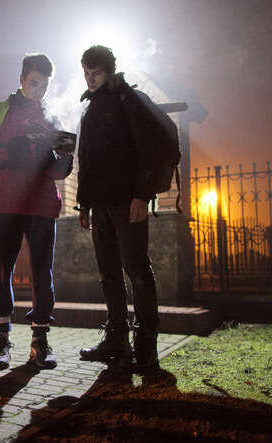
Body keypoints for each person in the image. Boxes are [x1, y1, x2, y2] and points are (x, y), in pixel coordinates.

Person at [0, 54, 74, 370]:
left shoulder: (53, 117)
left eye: (45, 86)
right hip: (6, 204)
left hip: (42, 204)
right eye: (35, 83)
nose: (39, 91)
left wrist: (58, 160)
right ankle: (1, 341)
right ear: (22, 80)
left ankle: (40, 341)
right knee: (2, 272)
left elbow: (62, 170)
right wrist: (7, 152)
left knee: (42, 272)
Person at [75, 45, 161, 374]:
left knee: (137, 270)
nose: (90, 78)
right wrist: (83, 204)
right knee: (109, 275)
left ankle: (146, 348)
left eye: (95, 72)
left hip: (127, 202)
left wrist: (141, 195)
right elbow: (86, 160)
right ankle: (116, 341)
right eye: (86, 72)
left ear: (110, 71)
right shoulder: (90, 107)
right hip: (99, 205)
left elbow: (148, 150)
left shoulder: (128, 100)